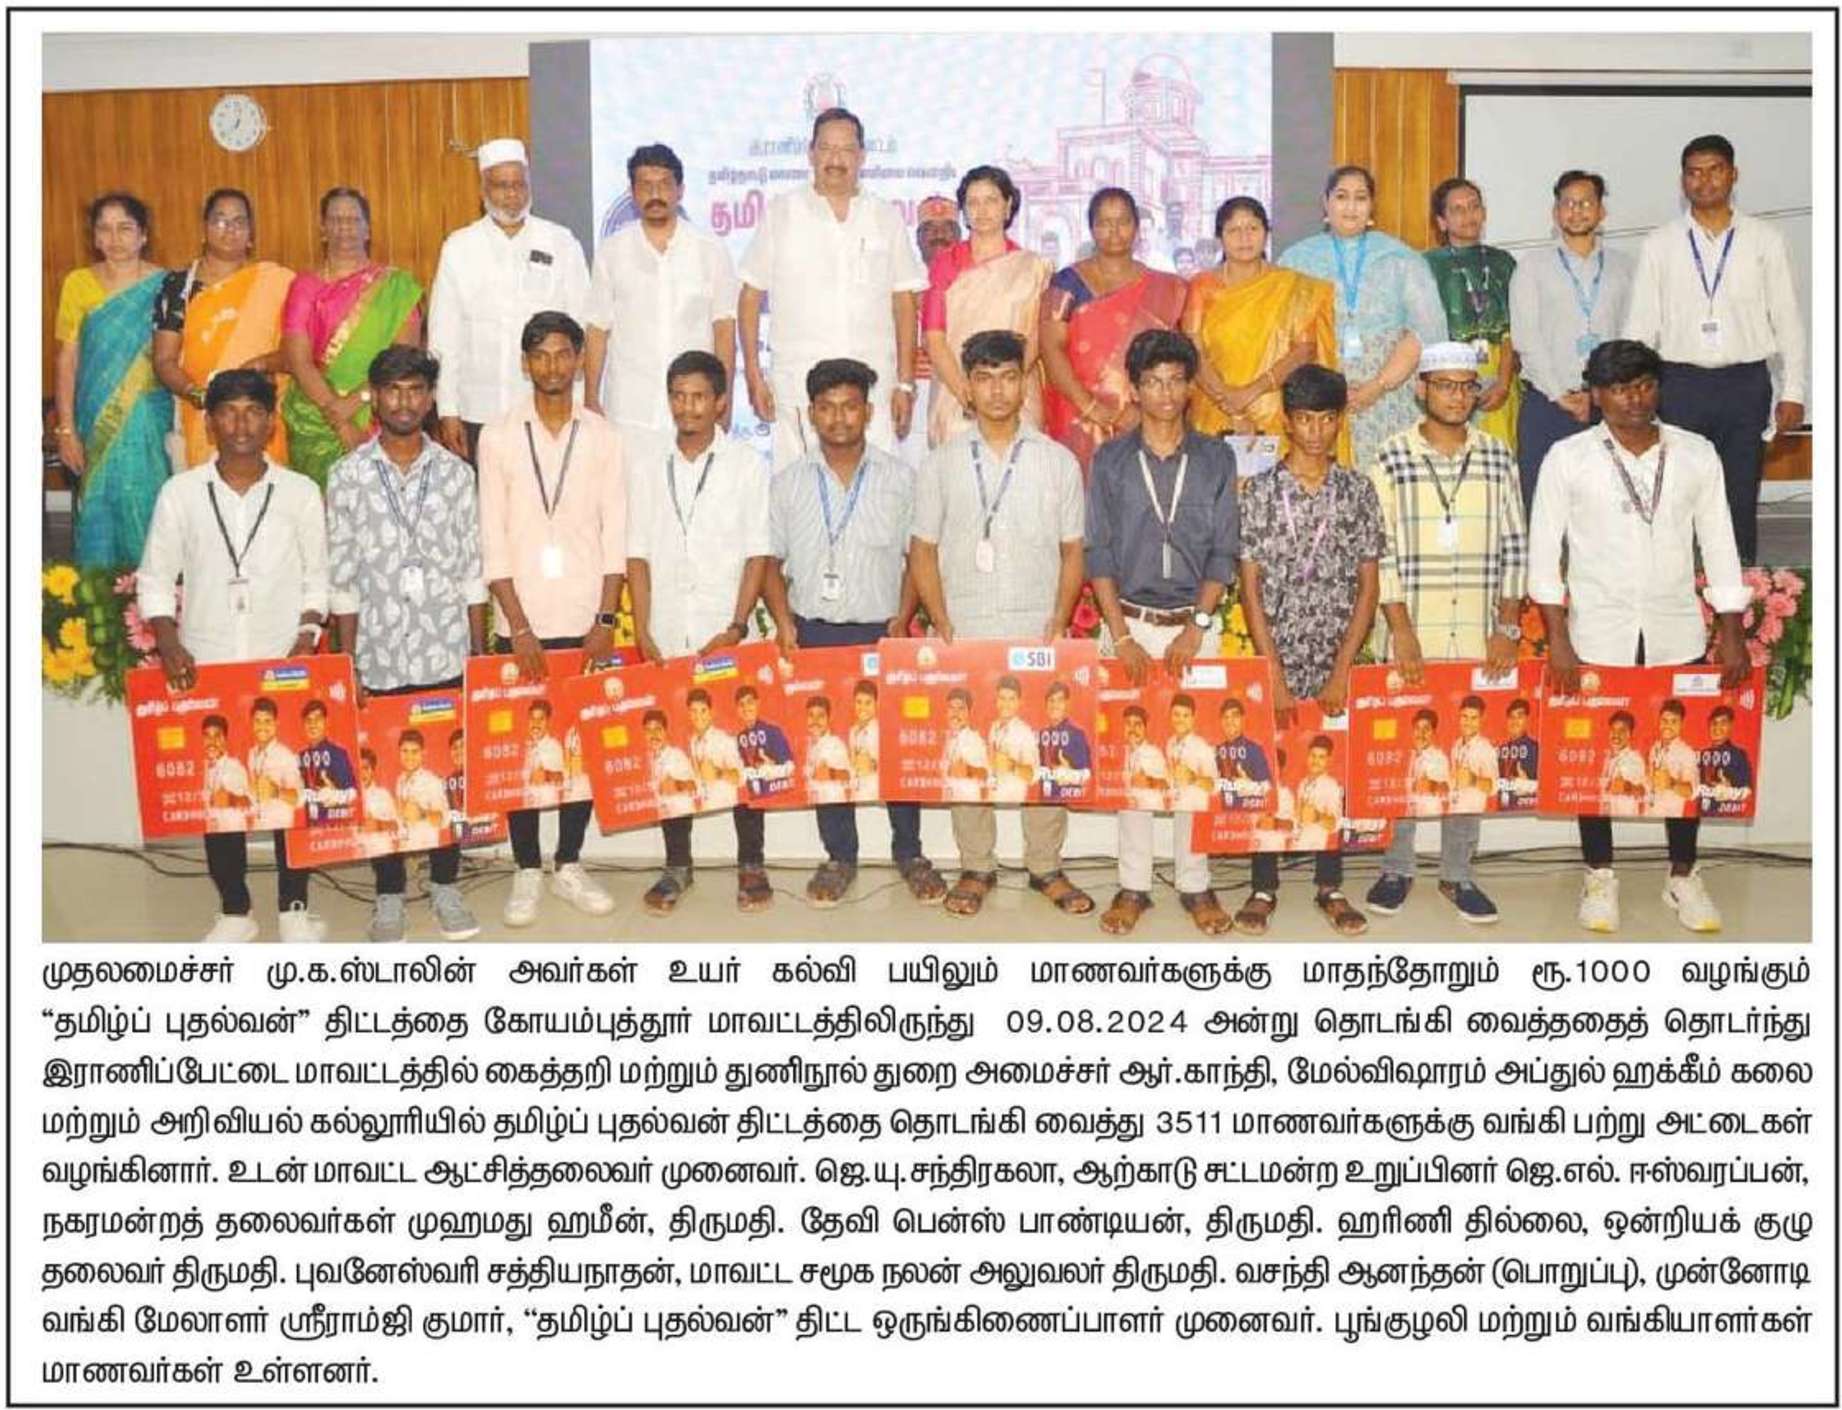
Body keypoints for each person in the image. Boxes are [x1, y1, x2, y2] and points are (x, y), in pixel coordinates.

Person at [1528, 338, 1750, 933]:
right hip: (1597, 631)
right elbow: (1544, 555)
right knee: (1596, 758)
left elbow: (1720, 542)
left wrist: (1731, 629)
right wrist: (1558, 639)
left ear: (1659, 388)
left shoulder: (1696, 453)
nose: (1635, 399)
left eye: (1646, 385)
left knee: (1683, 754)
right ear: (1597, 395)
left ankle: (1683, 875)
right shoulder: (1567, 458)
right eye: (1621, 389)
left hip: (1677, 628)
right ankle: (1599, 875)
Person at [137, 369, 328, 942]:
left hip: (282, 660)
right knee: (220, 788)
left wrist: (307, 635)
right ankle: (236, 910)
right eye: (229, 411)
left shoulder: (299, 492)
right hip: (207, 660)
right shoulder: (180, 493)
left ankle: (295, 907)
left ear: (272, 423)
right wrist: (169, 642)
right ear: (210, 422)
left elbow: (317, 580)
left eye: (253, 411)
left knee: (288, 785)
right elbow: (154, 578)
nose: (241, 423)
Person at [910, 329, 1091, 919]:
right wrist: (942, 623)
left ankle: (1046, 866)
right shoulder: (940, 463)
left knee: (1043, 747)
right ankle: (976, 866)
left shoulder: (1056, 461)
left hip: (1037, 631)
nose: (996, 390)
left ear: (1025, 383)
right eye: (984, 378)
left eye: (1008, 377)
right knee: (968, 748)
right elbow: (922, 551)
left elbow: (1073, 550)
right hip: (966, 631)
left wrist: (1058, 622)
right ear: (967, 386)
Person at [763, 357, 944, 906]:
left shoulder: (900, 479)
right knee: (828, 748)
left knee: (895, 746)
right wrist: (784, 622)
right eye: (827, 407)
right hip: (814, 634)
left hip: (881, 632)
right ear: (810, 414)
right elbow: (769, 561)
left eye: (850, 406)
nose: (839, 418)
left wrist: (904, 617)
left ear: (868, 412)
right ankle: (839, 855)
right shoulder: (788, 483)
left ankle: (910, 852)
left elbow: (919, 555)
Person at [327, 344, 487, 941]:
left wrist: (477, 659)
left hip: (445, 649)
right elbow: (342, 581)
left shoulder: (456, 475)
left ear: (431, 398)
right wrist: (347, 664)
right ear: (374, 396)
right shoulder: (347, 476)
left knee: (444, 772)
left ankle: (445, 885)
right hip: (378, 653)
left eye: (416, 390)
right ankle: (388, 893)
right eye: (392, 390)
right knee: (384, 776)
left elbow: (472, 573)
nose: (404, 401)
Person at [1364, 340, 1527, 923]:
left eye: (1466, 386)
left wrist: (1507, 626)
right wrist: (1400, 628)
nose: (1457, 396)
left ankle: (1458, 873)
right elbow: (1378, 549)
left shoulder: (1497, 456)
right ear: (1421, 389)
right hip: (1412, 633)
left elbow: (1515, 546)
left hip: (1478, 635)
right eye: (1445, 385)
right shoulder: (1390, 456)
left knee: (1467, 751)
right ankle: (1396, 867)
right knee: (1405, 751)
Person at [1083, 327, 1239, 935]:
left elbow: (1224, 551)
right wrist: (1121, 636)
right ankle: (1134, 884)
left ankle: (1196, 883)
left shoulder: (1216, 459)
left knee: (1195, 757)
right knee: (1135, 759)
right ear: (1135, 388)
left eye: (1176, 381)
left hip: (1193, 631)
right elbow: (1098, 553)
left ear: (1190, 387)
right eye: (1153, 382)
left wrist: (1197, 627)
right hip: (1130, 627)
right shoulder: (1111, 461)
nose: (1166, 393)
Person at [478, 311, 626, 928]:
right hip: (522, 621)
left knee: (579, 745)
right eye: (540, 355)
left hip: (585, 617)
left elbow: (616, 535)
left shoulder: (604, 437)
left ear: (579, 361)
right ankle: (525, 868)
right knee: (523, 745)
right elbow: (493, 540)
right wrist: (517, 626)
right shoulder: (498, 436)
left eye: (564, 354)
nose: (553, 366)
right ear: (524, 363)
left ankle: (568, 861)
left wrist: (606, 618)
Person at [1235, 364, 1385, 937]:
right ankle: (1262, 885)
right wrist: (1270, 670)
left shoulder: (1357, 491)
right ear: (1287, 422)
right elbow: (1250, 587)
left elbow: (1368, 586)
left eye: (1326, 420)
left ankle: (1330, 885)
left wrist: (1344, 668)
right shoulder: (1259, 492)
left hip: (1335, 655)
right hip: (1276, 650)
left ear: (1339, 420)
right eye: (1305, 420)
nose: (1316, 432)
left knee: (1332, 766)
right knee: (1271, 764)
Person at [627, 349, 773, 915]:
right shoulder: (648, 464)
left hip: (725, 633)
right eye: (678, 396)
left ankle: (752, 864)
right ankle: (676, 866)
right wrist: (643, 629)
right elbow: (637, 554)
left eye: (698, 397)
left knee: (740, 747)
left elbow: (758, 552)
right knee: (672, 750)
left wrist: (736, 625)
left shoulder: (745, 465)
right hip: (667, 631)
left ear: (719, 403)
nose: (687, 408)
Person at [1622, 135, 1806, 563]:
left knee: (1738, 492)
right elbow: (1640, 326)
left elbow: (1788, 320)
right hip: (1678, 384)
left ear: (1733, 174)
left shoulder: (1765, 239)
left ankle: (1738, 588)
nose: (1704, 181)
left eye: (1714, 170)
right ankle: (1676, 586)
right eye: (1694, 172)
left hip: (1745, 383)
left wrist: (1794, 391)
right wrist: (1632, 391)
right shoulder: (1660, 243)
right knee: (1675, 493)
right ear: (1682, 181)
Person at [738, 107, 928, 467]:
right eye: (826, 148)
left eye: (846, 150)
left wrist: (905, 384)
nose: (835, 160)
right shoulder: (782, 213)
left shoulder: (885, 216)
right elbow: (750, 296)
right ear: (811, 153)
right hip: (799, 387)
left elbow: (904, 302)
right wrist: (752, 373)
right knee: (799, 490)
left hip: (874, 388)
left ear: (862, 156)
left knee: (877, 490)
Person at [428, 139, 591, 462]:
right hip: (478, 411)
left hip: (549, 409)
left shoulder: (561, 242)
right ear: (483, 190)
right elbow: (444, 336)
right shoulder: (459, 248)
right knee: (487, 494)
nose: (512, 194)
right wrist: (447, 409)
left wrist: (580, 403)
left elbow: (581, 329)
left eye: (519, 184)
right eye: (502, 185)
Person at [1277, 166, 1446, 475]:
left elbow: (1426, 331)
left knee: (1387, 485)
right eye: (1342, 197)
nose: (1351, 207)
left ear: (1372, 206)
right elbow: (1281, 335)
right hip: (1318, 401)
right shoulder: (1296, 261)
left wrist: (1378, 386)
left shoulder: (1401, 259)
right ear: (1325, 203)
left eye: (1360, 197)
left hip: (1389, 395)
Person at [584, 143, 738, 443]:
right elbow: (597, 329)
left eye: (665, 185)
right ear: (632, 192)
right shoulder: (612, 252)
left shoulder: (710, 251)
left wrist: (726, 398)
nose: (655, 194)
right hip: (628, 411)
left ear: (680, 190)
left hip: (694, 410)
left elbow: (724, 330)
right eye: (646, 186)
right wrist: (590, 397)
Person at [53, 191, 173, 566]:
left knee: (148, 505)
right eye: (104, 229)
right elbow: (67, 359)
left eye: (125, 228)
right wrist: (66, 430)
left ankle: (153, 599)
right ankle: (100, 597)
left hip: (149, 420)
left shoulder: (167, 284)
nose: (114, 238)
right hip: (94, 420)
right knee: (98, 507)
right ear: (94, 237)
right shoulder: (78, 283)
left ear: (143, 234)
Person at [278, 188, 423, 491]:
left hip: (380, 411)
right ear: (323, 230)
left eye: (353, 220)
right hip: (314, 418)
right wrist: (339, 418)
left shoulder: (395, 286)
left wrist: (359, 400)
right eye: (335, 219)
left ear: (367, 229)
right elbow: (298, 361)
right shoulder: (304, 286)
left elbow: (402, 360)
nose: (344, 227)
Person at [1507, 170, 1635, 508]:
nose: (1577, 211)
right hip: (1547, 405)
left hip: (1608, 407)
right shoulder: (1532, 267)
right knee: (1544, 506)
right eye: (1568, 203)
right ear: (1556, 212)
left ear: (1601, 211)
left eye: (1586, 203)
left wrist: (1598, 395)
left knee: (1606, 507)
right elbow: (1526, 337)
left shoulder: (1625, 268)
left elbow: (1631, 337)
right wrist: (1559, 394)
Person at [1040, 188, 1189, 476]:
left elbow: (1177, 362)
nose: (1114, 231)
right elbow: (1050, 348)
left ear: (1137, 227)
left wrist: (1144, 411)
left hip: (1144, 419)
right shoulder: (1067, 282)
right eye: (1104, 223)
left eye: (1123, 221)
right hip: (1077, 416)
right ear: (1092, 229)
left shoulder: (1167, 288)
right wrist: (1091, 407)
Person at [151, 188, 292, 469]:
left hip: (261, 414)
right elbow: (164, 360)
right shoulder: (179, 286)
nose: (230, 229)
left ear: (251, 233)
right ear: (204, 229)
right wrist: (202, 397)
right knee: (205, 491)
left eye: (239, 222)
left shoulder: (277, 282)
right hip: (202, 415)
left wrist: (262, 364)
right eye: (220, 220)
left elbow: (294, 353)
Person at [1182, 195, 1336, 442]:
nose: (1244, 238)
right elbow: (1192, 350)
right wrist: (1230, 404)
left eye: (1253, 228)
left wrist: (1250, 393)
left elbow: (1304, 350)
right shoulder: (1201, 286)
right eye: (1234, 230)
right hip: (1214, 410)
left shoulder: (1291, 287)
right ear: (1220, 237)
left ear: (1266, 233)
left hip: (1272, 411)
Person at [920, 165, 1049, 445]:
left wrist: (1008, 384)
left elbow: (1040, 335)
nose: (982, 210)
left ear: (1008, 205)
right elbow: (933, 337)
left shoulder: (1032, 267)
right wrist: (967, 393)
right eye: (973, 203)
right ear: (964, 211)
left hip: (1018, 396)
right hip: (957, 397)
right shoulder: (945, 264)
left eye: (991, 200)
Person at [1423, 178, 1520, 449]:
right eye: (1458, 209)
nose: (1469, 215)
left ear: (1484, 212)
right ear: (1441, 221)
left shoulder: (1503, 262)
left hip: (1499, 371)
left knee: (1498, 452)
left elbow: (1515, 327)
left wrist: (1503, 382)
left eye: (1474, 206)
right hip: (1447, 371)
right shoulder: (1428, 265)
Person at [298, 699, 356, 827]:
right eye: (308, 720)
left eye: (317, 719)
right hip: (310, 826)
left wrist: (335, 795)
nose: (313, 724)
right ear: (304, 725)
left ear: (326, 722)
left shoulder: (338, 754)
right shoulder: (300, 757)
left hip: (335, 826)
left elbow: (353, 792)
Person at [734, 684, 795, 804]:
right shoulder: (739, 739)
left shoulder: (773, 731)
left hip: (777, 797)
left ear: (757, 703)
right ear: (737, 710)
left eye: (750, 702)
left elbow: (790, 767)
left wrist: (769, 770)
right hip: (754, 801)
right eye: (741, 704)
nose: (746, 708)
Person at [985, 675, 1039, 804]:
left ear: (1019, 702)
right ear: (996, 700)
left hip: (1012, 806)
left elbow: (1034, 775)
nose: (1006, 704)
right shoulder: (994, 727)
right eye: (1002, 698)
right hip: (992, 801)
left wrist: (1012, 766)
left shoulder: (1025, 732)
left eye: (1011, 699)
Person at [1037, 682, 1092, 803]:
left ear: (1067, 704)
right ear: (1046, 704)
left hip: (1067, 803)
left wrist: (1070, 773)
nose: (1055, 705)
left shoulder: (1077, 735)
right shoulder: (1041, 734)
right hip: (1043, 801)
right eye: (1051, 700)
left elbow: (1087, 775)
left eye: (1059, 700)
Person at [395, 731, 448, 853]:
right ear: (399, 752)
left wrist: (422, 814)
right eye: (405, 751)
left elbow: (443, 819)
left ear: (423, 753)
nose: (409, 756)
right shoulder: (400, 780)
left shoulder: (431, 781)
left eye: (414, 752)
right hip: (404, 849)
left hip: (424, 851)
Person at [1645, 699, 1699, 820]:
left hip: (1669, 821)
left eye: (1674, 721)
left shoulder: (1687, 753)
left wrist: (1671, 783)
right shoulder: (1655, 748)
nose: (1668, 726)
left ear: (1681, 724)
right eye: (1664, 721)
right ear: (1659, 722)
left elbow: (1692, 791)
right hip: (1648, 817)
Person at [1164, 694, 1218, 812]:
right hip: (1174, 809)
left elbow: (1215, 785)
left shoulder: (1202, 747)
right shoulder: (1170, 743)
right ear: (1171, 716)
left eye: (1186, 716)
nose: (1180, 720)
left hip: (1195, 813)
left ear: (1193, 718)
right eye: (1176, 714)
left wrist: (1193, 778)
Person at [1215, 699, 1272, 810]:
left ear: (1243, 719)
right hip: (1225, 813)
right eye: (1226, 717)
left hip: (1249, 812)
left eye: (1234, 716)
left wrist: (1248, 786)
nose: (1230, 721)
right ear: (1221, 722)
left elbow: (1267, 787)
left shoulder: (1253, 750)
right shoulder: (1217, 751)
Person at [200, 714, 252, 833]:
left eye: (217, 736)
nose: (211, 742)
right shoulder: (208, 769)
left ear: (225, 738)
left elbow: (249, 803)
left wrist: (232, 799)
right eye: (207, 736)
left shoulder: (234, 767)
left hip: (232, 835)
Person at [1448, 696, 1499, 814]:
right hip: (1453, 812)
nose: (1468, 723)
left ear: (1481, 719)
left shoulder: (1485, 748)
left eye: (1473, 718)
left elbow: (1494, 786)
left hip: (1472, 816)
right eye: (1464, 717)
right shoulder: (1456, 745)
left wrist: (1474, 780)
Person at [1698, 705, 1753, 813]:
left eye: (1723, 723)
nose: (1717, 728)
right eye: (1714, 723)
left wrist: (1729, 787)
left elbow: (1748, 791)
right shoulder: (1702, 755)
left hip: (1727, 813)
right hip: (1701, 813)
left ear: (1731, 726)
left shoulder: (1739, 755)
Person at [645, 710, 699, 817]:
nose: (653, 735)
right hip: (665, 817)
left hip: (682, 817)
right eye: (649, 731)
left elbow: (695, 786)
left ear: (665, 731)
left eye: (658, 729)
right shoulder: (650, 760)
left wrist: (677, 785)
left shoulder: (676, 755)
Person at [802, 697, 854, 806]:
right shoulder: (810, 746)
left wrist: (831, 773)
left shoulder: (835, 744)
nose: (815, 721)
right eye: (811, 715)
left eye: (821, 716)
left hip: (834, 805)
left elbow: (849, 775)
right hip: (816, 804)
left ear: (829, 718)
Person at [1293, 735, 1342, 850]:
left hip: (1315, 848)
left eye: (1321, 757)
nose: (1315, 761)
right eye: (1313, 755)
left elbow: (1335, 823)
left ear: (1328, 760)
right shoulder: (1303, 783)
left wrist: (1317, 816)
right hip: (1297, 844)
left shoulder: (1331, 786)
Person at [941, 688, 989, 803]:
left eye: (961, 708)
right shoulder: (950, 741)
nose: (955, 713)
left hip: (969, 805)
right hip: (953, 803)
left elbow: (986, 774)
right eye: (952, 708)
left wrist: (969, 770)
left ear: (969, 712)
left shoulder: (975, 740)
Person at [1121, 706, 1170, 812]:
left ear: (1145, 728)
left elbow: (1168, 784)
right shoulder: (1128, 753)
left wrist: (1149, 782)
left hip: (1151, 812)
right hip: (1135, 813)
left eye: (1137, 725)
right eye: (1128, 724)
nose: (1132, 729)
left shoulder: (1153, 753)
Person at [1600, 712, 1648, 818]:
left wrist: (1627, 787)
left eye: (1621, 731)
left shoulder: (1634, 759)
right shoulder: (1610, 759)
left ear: (1629, 734)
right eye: (1613, 730)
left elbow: (1642, 791)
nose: (1616, 735)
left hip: (1625, 821)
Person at [1405, 709, 1450, 818]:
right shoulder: (1413, 757)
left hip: (1431, 819)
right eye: (1417, 728)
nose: (1421, 734)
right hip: (1413, 819)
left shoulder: (1439, 758)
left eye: (1426, 729)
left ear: (1433, 732)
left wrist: (1433, 786)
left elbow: (1447, 790)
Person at [1497, 698, 1539, 811]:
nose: (1515, 721)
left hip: (1527, 810)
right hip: (1502, 810)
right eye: (1511, 717)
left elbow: (1549, 787)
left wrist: (1527, 785)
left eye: (1520, 716)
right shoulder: (1501, 750)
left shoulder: (1536, 749)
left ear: (1527, 719)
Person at [357, 750, 398, 856]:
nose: (362, 774)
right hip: (357, 856)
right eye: (358, 769)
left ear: (373, 770)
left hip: (381, 854)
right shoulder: (346, 798)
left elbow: (397, 827)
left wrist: (379, 825)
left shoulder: (383, 795)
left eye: (365, 768)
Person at [848, 680, 881, 803]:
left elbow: (891, 764)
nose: (863, 708)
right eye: (859, 702)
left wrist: (873, 765)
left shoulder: (881, 731)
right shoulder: (853, 731)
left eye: (868, 703)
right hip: (856, 793)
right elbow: (852, 763)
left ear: (876, 703)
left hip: (875, 793)